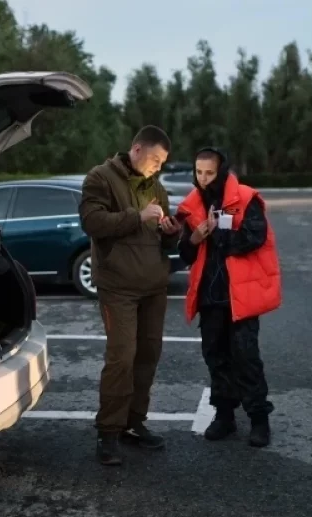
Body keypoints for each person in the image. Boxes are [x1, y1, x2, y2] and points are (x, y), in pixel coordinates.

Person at [79, 125, 181, 466]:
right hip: (118, 286)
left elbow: (163, 240)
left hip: (153, 286)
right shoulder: (101, 178)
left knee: (148, 355)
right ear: (136, 149)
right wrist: (137, 217)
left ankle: (134, 422)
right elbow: (92, 222)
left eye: (162, 162)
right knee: (122, 357)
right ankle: (108, 432)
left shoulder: (157, 188)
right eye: (154, 159)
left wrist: (171, 233)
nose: (157, 166)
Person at [176, 147, 282, 447]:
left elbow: (254, 237)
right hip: (210, 298)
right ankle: (224, 416)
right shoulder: (193, 204)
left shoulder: (245, 198)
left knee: (246, 358)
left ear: (222, 171)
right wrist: (196, 236)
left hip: (240, 296)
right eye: (199, 172)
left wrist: (218, 234)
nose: (204, 178)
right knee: (216, 358)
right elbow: (185, 253)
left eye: (209, 172)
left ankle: (259, 419)